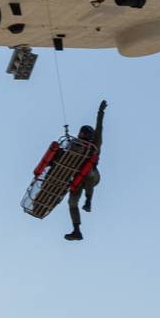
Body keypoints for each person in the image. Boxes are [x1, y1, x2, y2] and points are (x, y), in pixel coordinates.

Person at [65, 100, 107, 242]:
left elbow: (99, 128)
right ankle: (76, 230)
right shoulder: (74, 145)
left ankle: (88, 200)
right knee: (72, 202)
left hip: (92, 176)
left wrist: (100, 113)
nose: (81, 136)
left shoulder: (94, 145)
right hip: (77, 178)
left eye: (84, 134)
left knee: (88, 172)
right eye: (80, 133)